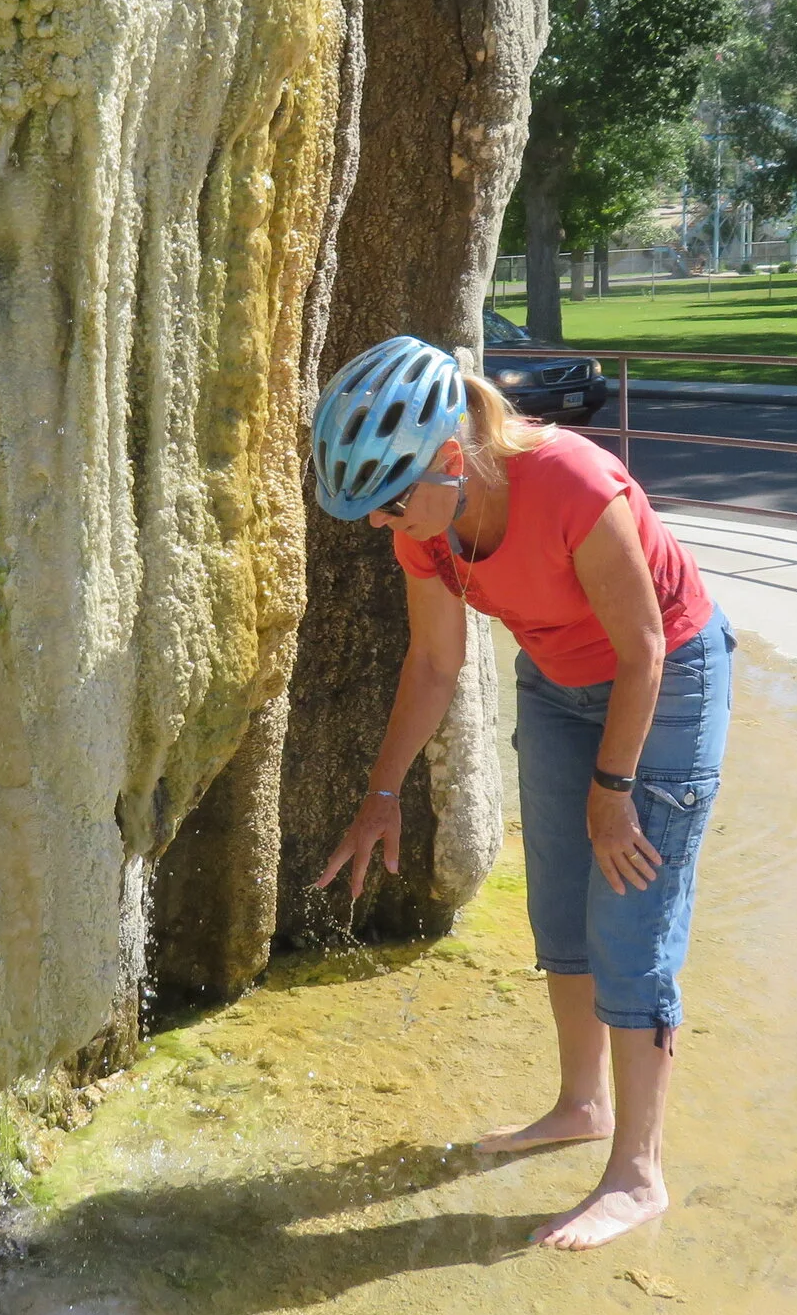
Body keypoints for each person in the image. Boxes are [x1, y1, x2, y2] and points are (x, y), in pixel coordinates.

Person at [308, 335, 733, 1250]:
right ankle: (580, 1105)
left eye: (388, 502)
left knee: (630, 913)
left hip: (666, 678)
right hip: (557, 683)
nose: (383, 525)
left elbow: (645, 651)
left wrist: (613, 788)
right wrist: (381, 794)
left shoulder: (577, 485)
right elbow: (434, 661)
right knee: (559, 910)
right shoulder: (431, 524)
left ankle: (638, 1172)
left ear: (451, 461)